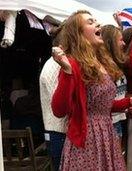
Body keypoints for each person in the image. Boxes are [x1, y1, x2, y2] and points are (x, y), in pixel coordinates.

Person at [50, 10, 132, 170]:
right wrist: (66, 71)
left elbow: (100, 105)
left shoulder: (101, 62)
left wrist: (128, 103)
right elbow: (59, 110)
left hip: (106, 134)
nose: (98, 24)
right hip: (87, 139)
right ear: (78, 34)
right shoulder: (72, 63)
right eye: (90, 22)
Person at [39, 24, 67, 171]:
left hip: (59, 132)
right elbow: (61, 106)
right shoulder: (54, 66)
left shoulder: (57, 64)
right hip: (59, 132)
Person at [101, 24, 127, 154]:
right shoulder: (102, 68)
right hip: (110, 123)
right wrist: (129, 103)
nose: (123, 43)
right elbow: (104, 103)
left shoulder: (116, 64)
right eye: (120, 40)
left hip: (120, 119)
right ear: (110, 43)